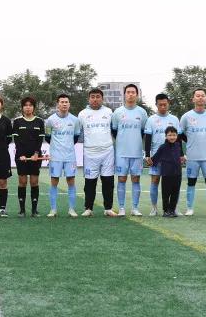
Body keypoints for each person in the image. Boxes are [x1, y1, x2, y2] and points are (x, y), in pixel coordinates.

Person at [180, 88, 206, 216]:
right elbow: (180, 134)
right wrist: (190, 140)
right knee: (191, 182)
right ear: (193, 99)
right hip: (192, 156)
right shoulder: (186, 116)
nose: (200, 97)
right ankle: (189, 208)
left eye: (203, 95)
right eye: (198, 96)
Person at [110, 84, 147, 216]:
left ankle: (135, 208)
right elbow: (114, 131)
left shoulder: (142, 112)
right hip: (121, 153)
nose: (130, 94)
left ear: (137, 95)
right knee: (121, 179)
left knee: (136, 179)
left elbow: (143, 131)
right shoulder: (117, 112)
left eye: (133, 92)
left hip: (136, 152)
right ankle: (121, 208)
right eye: (128, 92)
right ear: (124, 95)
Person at [144, 93, 181, 216]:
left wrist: (181, 154)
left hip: (171, 159)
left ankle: (173, 208)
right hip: (156, 157)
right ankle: (154, 208)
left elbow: (178, 138)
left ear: (168, 103)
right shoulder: (151, 119)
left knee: (173, 183)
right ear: (156, 105)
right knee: (155, 181)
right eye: (160, 105)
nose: (163, 107)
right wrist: (147, 155)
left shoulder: (174, 119)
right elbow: (148, 138)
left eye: (165, 104)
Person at [45, 94, 81, 218]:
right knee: (54, 181)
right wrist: (56, 147)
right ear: (58, 104)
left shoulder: (75, 120)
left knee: (71, 181)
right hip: (55, 156)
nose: (64, 104)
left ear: (69, 104)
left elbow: (76, 137)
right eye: (62, 102)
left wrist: (67, 146)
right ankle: (53, 209)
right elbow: (48, 137)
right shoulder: (50, 120)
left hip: (70, 156)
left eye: (66, 102)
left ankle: (71, 209)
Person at [79, 88, 114, 217]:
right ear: (89, 99)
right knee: (90, 182)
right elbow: (78, 132)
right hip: (90, 153)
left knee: (108, 181)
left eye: (98, 96)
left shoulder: (109, 112)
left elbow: (114, 130)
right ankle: (88, 208)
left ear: (102, 99)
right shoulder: (82, 114)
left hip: (107, 152)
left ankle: (108, 208)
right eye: (92, 96)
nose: (95, 99)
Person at [12, 97, 45, 217]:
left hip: (35, 156)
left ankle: (34, 210)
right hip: (21, 156)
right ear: (22, 107)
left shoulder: (39, 121)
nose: (28, 107)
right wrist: (21, 154)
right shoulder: (17, 121)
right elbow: (16, 140)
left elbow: (40, 140)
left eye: (30, 105)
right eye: (25, 105)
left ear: (34, 107)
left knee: (34, 182)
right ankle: (22, 210)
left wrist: (36, 153)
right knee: (22, 182)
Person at [151, 126, 185, 218]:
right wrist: (149, 160)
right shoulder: (162, 147)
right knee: (166, 193)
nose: (172, 137)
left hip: (178, 174)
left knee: (175, 193)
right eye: (170, 135)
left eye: (174, 135)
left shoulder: (178, 145)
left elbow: (181, 157)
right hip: (166, 174)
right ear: (166, 136)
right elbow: (154, 159)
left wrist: (183, 158)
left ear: (177, 136)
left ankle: (172, 210)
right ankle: (166, 211)